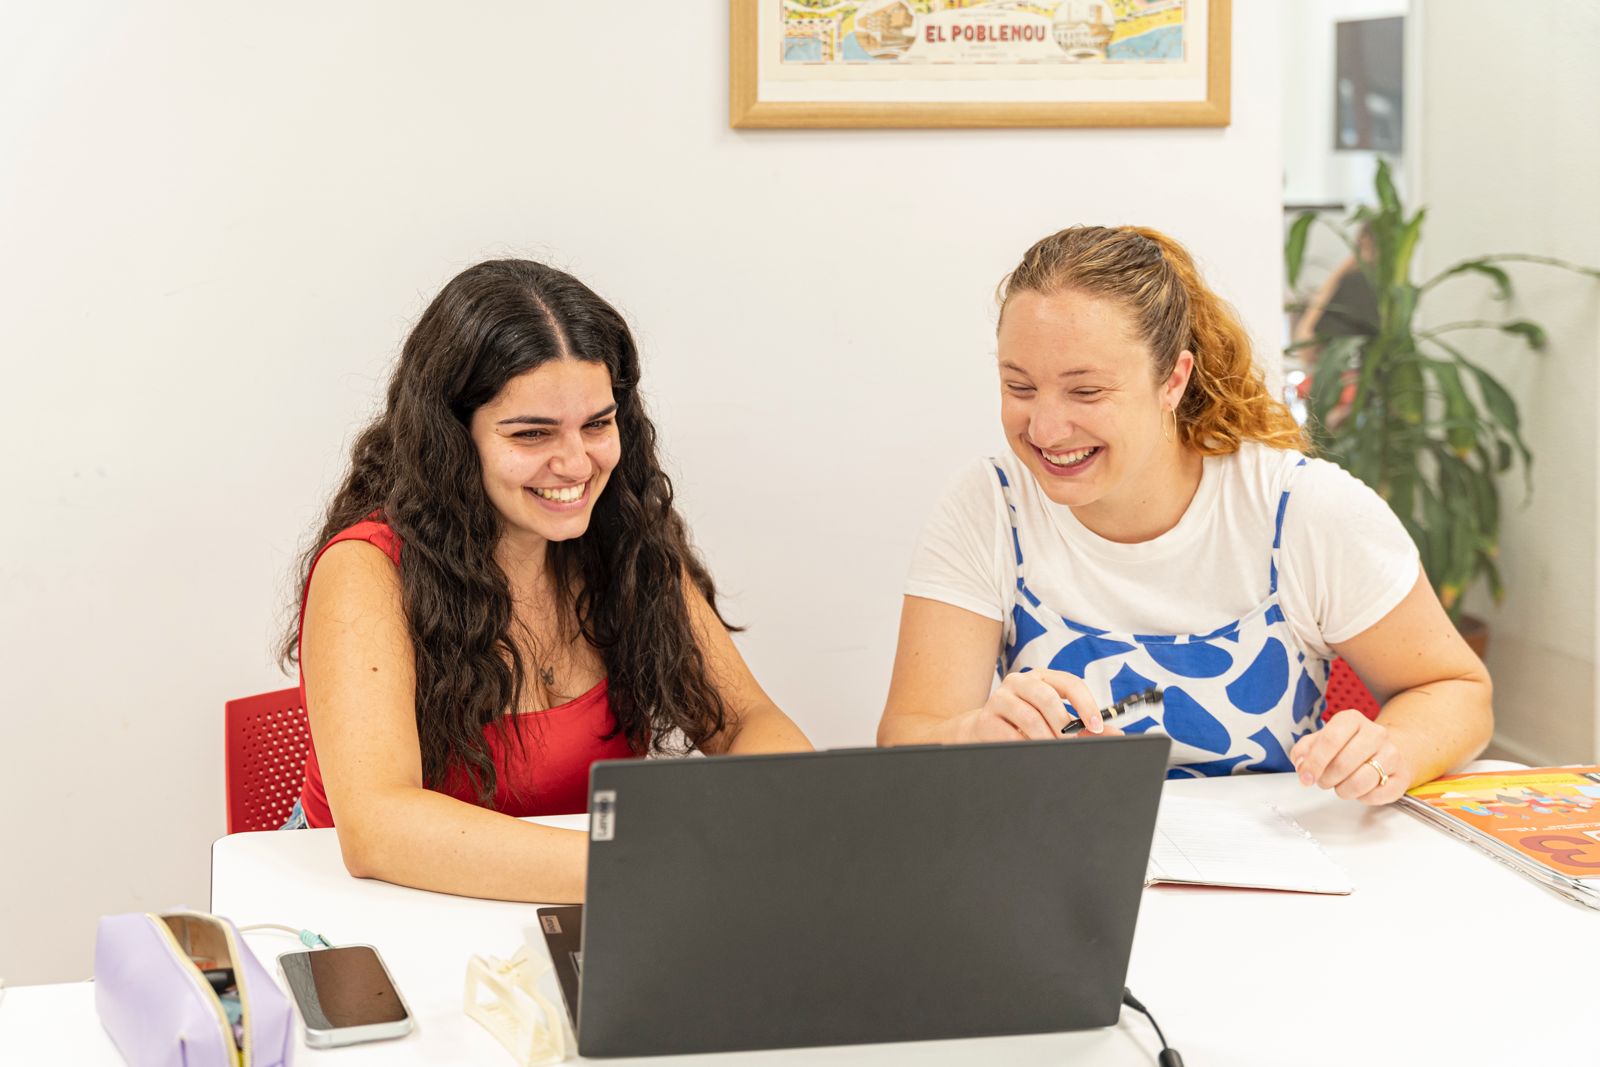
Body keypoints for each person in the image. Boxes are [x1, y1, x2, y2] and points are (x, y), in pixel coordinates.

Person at [877, 225, 1492, 804]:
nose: (1044, 428)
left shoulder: (1300, 508)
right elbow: (907, 738)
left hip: (1279, 883)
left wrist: (1394, 748)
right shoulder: (990, 506)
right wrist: (970, 737)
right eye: (1019, 387)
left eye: (1086, 391)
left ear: (1173, 380)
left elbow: (1457, 690)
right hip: (1065, 876)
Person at [281, 259, 812, 901]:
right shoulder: (365, 569)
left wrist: (783, 816)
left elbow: (743, 720)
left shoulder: (626, 541)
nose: (574, 463)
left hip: (576, 899)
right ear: (452, 438)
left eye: (597, 424)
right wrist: (651, 865)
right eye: (531, 433)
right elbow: (379, 829)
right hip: (389, 910)